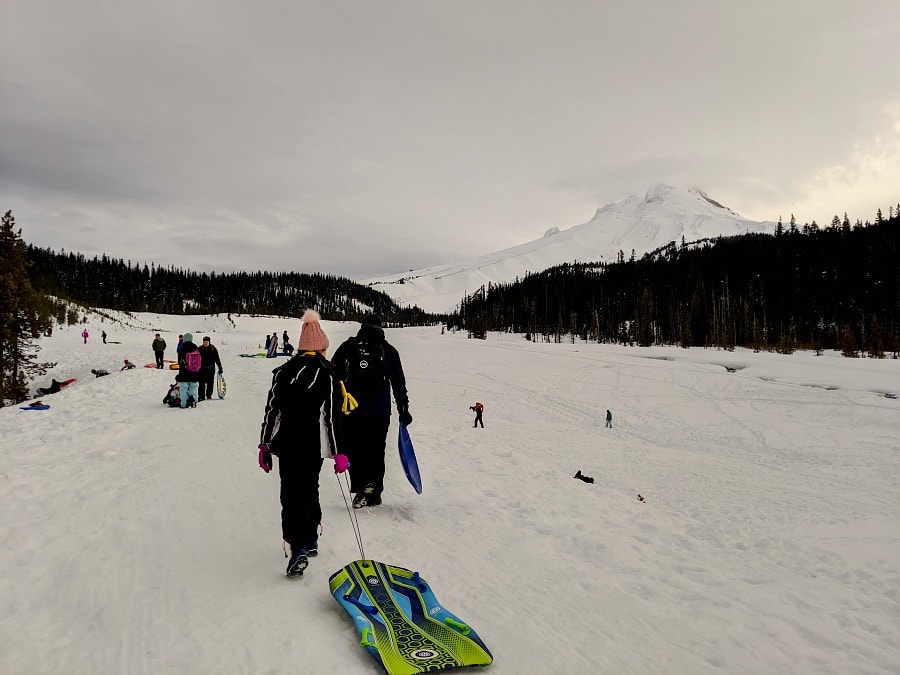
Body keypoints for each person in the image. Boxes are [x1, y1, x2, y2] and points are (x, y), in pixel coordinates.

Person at [258, 310, 348, 577]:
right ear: (321, 346)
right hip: (312, 445)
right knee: (309, 488)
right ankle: (307, 540)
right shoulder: (328, 375)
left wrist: (264, 444)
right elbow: (331, 417)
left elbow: (272, 411)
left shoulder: (283, 372)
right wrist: (339, 451)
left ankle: (299, 542)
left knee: (291, 493)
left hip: (286, 443)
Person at [332, 313, 411, 509]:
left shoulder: (348, 347)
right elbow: (399, 383)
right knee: (376, 450)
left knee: (354, 448)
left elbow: (332, 375)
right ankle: (373, 490)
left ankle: (362, 488)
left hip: (351, 411)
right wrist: (404, 409)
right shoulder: (389, 351)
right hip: (380, 412)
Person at [175, 333, 200, 408]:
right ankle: (194, 401)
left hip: (184, 372)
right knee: (193, 386)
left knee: (183, 387)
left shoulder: (182, 349)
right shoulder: (196, 348)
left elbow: (180, 361)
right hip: (194, 371)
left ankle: (184, 404)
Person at [197, 336, 223, 401]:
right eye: (204, 342)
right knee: (201, 382)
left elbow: (217, 359)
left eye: (207, 342)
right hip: (202, 369)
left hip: (210, 368)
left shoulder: (213, 349)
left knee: (210, 382)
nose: (205, 343)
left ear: (209, 342)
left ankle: (209, 395)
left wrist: (220, 367)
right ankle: (201, 395)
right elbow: (196, 359)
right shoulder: (199, 349)